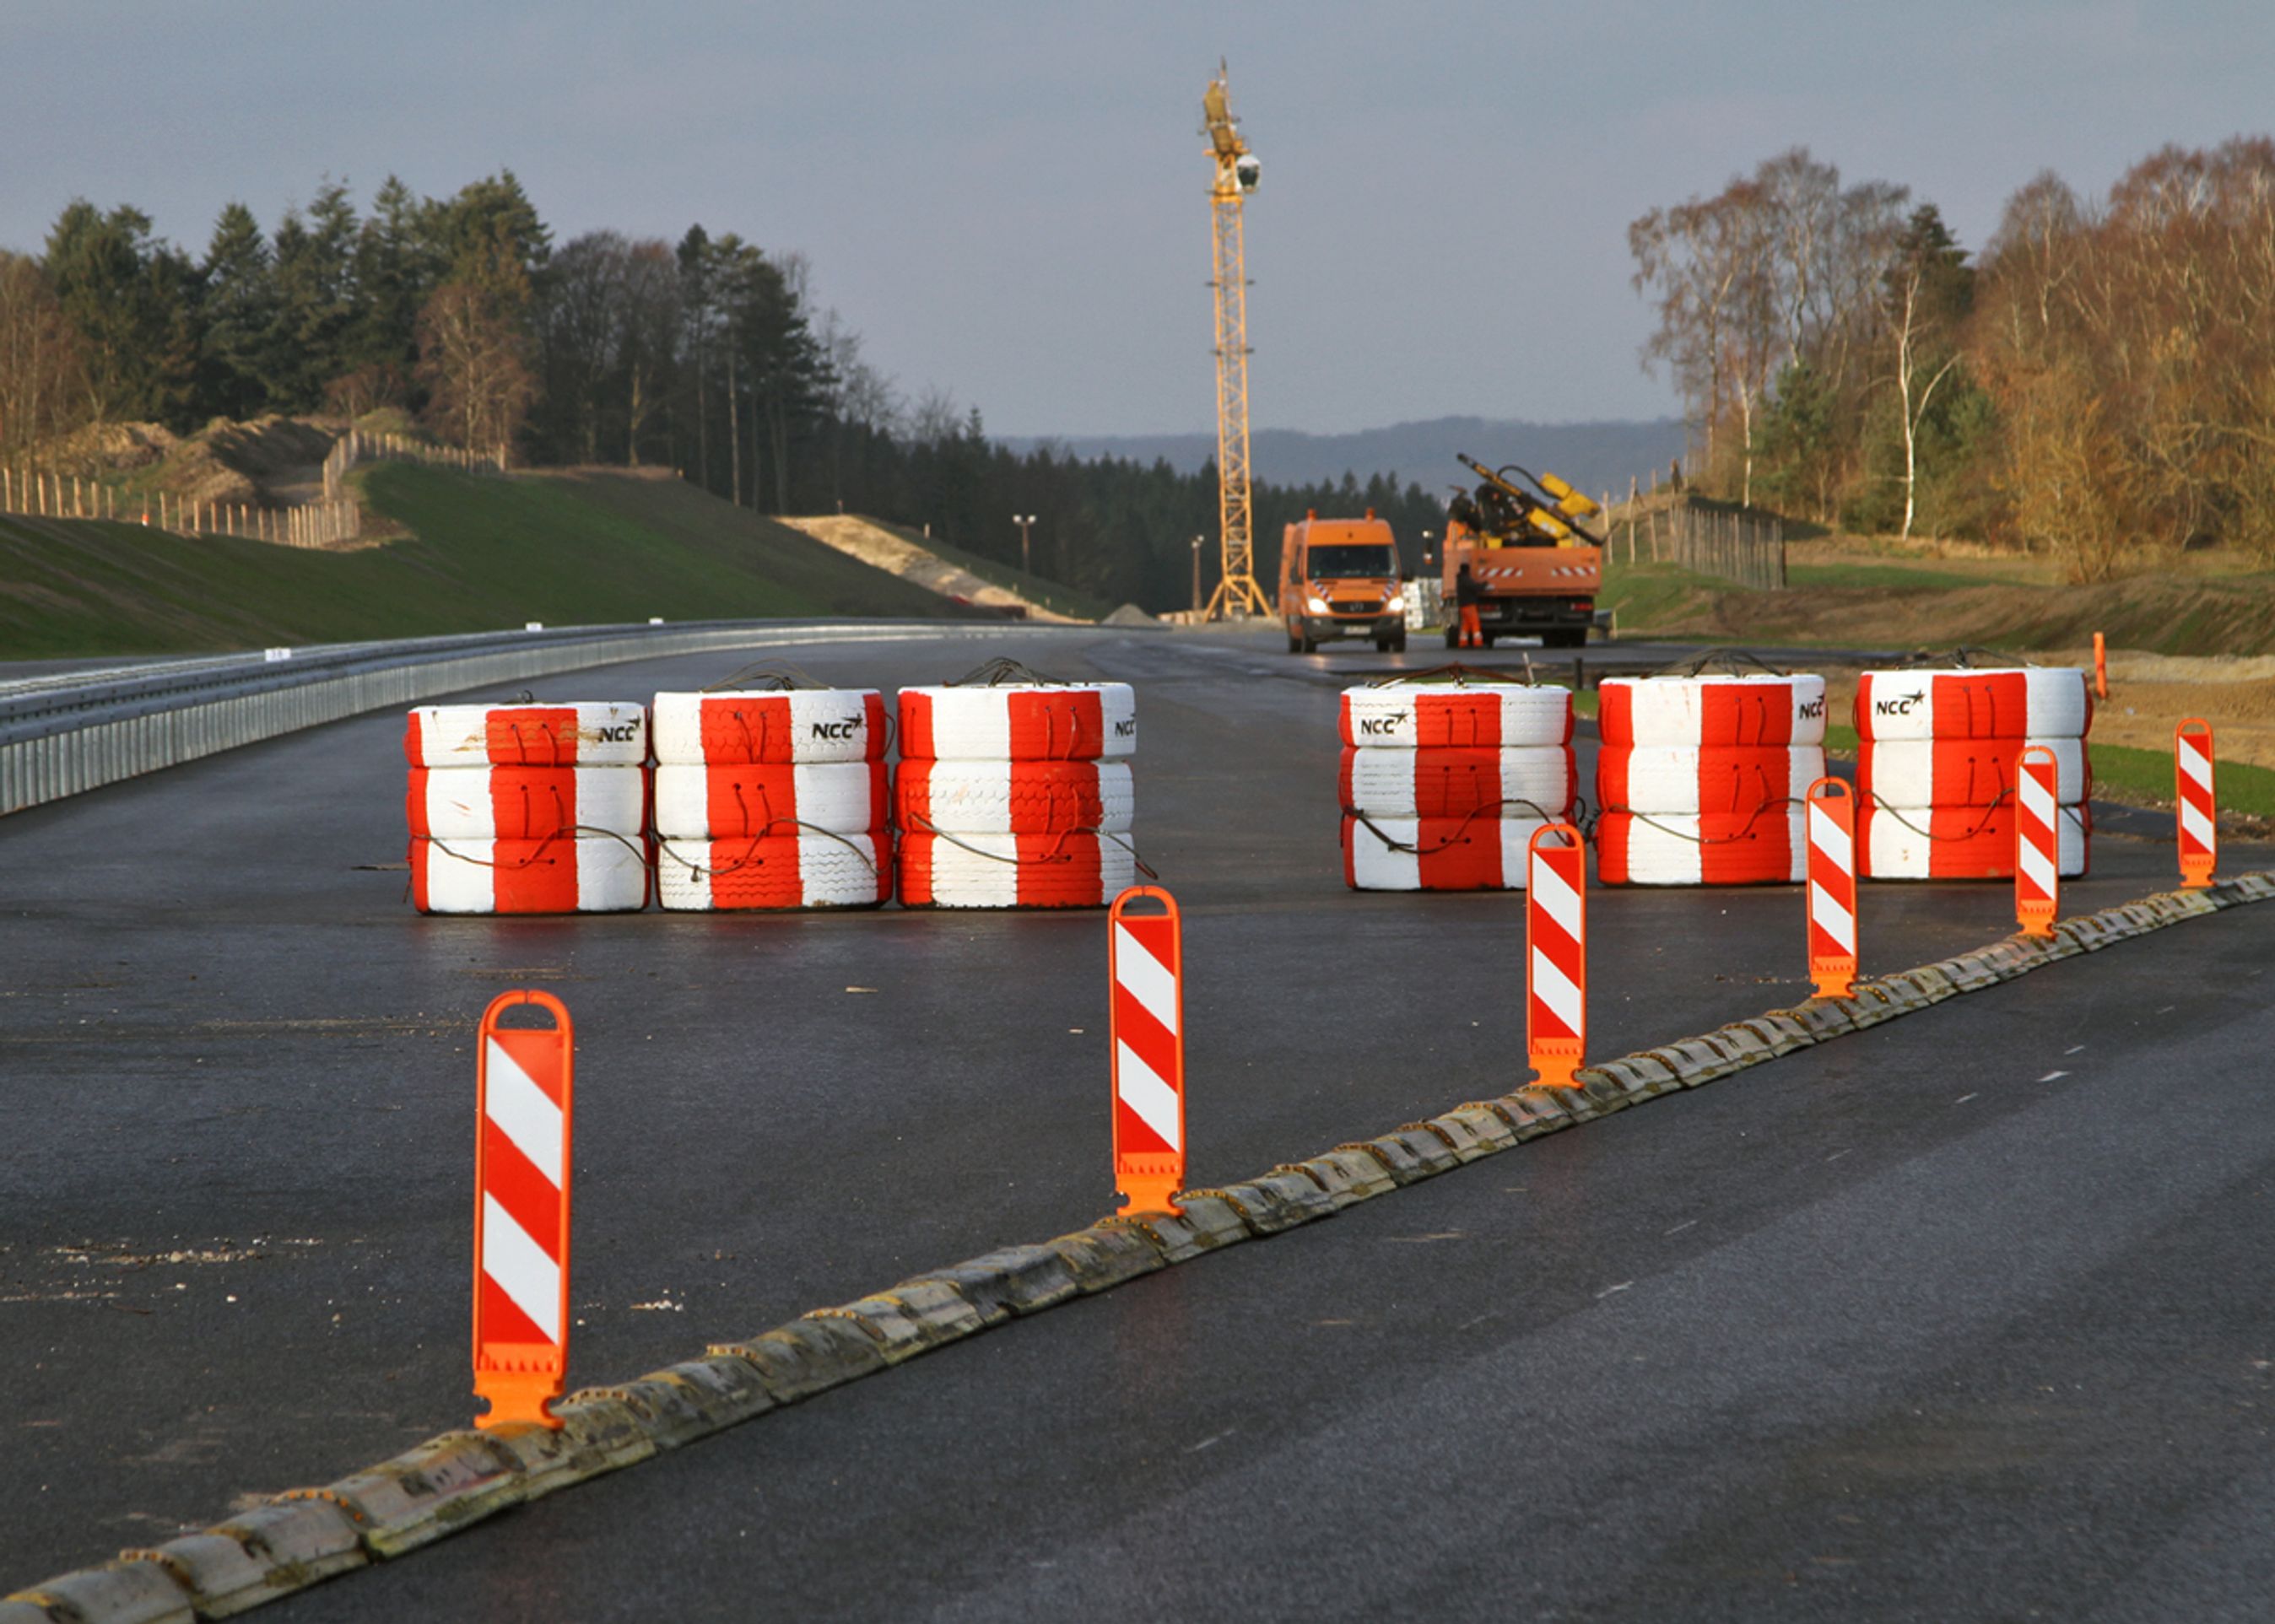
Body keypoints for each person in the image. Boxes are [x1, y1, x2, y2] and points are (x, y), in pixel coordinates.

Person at [1455, 563, 1483, 649]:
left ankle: (1463, 642)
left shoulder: (1460, 580)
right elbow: (1474, 587)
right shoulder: (1466, 579)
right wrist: (1484, 585)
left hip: (1463, 605)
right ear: (1468, 570)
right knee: (1475, 623)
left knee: (1466, 624)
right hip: (1469, 605)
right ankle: (1477, 643)